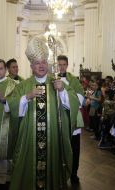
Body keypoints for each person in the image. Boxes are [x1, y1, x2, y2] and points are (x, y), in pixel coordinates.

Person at [8, 36, 79, 190]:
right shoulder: (24, 85)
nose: (41, 65)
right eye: (37, 63)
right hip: (29, 138)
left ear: (47, 64)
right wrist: (27, 97)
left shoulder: (57, 83)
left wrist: (62, 92)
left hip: (52, 137)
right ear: (31, 66)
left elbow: (72, 104)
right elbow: (11, 105)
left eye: (43, 62)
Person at [57, 54, 84, 184]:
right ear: (57, 65)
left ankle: (74, 173)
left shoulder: (74, 80)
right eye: (59, 64)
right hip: (57, 119)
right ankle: (59, 172)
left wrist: (65, 94)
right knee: (58, 147)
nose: (61, 67)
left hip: (72, 118)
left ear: (67, 65)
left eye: (64, 64)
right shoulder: (52, 79)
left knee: (74, 148)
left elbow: (80, 99)